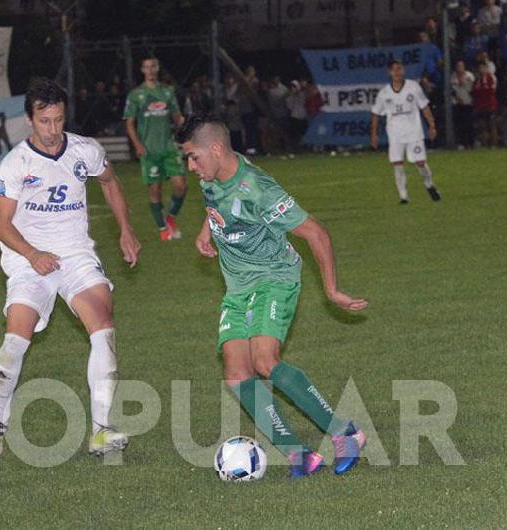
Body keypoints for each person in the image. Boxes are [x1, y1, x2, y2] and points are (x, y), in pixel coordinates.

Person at [176, 114, 369, 478]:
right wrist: (207, 228)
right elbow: (215, 202)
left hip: (274, 279)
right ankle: (298, 454)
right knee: (236, 374)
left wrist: (331, 291)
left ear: (216, 149)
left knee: (265, 361)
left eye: (193, 157)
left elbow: (316, 234)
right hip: (238, 287)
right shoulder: (212, 175)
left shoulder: (258, 189)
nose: (191, 166)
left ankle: (346, 433)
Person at [0, 77, 141, 461]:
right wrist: (33, 254)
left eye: (58, 120)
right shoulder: (14, 164)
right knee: (12, 347)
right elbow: (1, 225)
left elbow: (110, 181)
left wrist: (125, 229)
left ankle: (102, 429)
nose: (53, 130)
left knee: (103, 327)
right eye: (44, 121)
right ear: (29, 120)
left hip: (75, 254)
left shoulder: (85, 150)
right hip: (26, 258)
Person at [123, 57, 187, 241]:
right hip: (149, 151)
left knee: (181, 185)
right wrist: (138, 145)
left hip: (169, 148)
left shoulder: (167, 92)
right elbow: (129, 123)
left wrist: (189, 131)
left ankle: (171, 218)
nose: (150, 70)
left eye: (153, 66)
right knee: (155, 190)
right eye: (146, 67)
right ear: (142, 70)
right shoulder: (136, 95)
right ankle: (162, 229)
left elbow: (177, 117)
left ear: (158, 68)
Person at [371, 60, 442, 204]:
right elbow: (376, 114)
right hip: (395, 134)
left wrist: (432, 125)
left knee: (420, 162)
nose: (397, 72)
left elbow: (424, 107)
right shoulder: (384, 93)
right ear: (389, 73)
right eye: (394, 70)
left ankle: (429, 185)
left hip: (413, 133)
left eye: (399, 69)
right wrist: (374, 134)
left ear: (403, 70)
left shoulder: (413, 87)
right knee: (397, 163)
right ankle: (403, 196)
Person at [471, 61, 499, 147]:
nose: (481, 70)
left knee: (492, 125)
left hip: (490, 105)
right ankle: (485, 143)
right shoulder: (477, 80)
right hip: (480, 106)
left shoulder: (491, 78)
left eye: (483, 67)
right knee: (482, 125)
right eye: (480, 68)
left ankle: (494, 144)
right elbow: (474, 92)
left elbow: (492, 90)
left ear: (486, 68)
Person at [450, 59, 476, 149]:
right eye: (458, 66)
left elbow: (473, 89)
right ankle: (461, 143)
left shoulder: (469, 76)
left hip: (468, 102)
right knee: (459, 124)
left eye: (461, 66)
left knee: (469, 124)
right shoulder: (453, 77)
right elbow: (451, 90)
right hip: (457, 103)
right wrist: (457, 98)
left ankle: (470, 143)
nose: (459, 67)